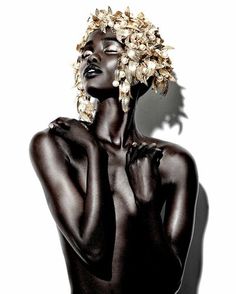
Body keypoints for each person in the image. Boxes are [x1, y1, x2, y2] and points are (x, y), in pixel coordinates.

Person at [30, 7, 198, 294]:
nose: (90, 57)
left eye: (110, 49)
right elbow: (92, 249)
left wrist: (147, 204)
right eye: (86, 52)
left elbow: (170, 283)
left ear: (141, 68)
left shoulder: (172, 163)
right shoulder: (56, 144)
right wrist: (94, 151)